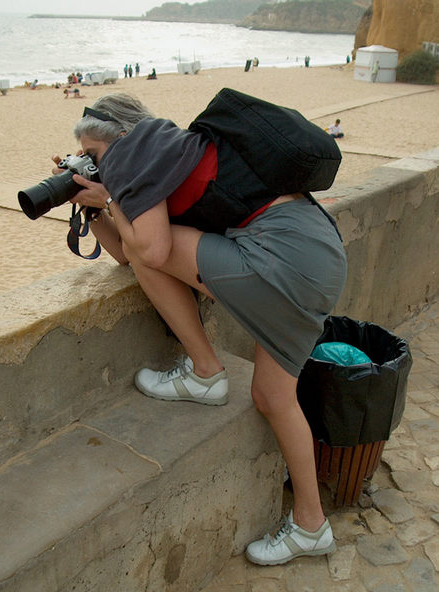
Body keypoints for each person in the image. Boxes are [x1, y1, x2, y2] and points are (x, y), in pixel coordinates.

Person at [52, 92, 346, 566]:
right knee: (273, 397)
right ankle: (312, 526)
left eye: (92, 154)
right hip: (319, 254)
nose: (89, 162)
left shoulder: (130, 154)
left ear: (117, 137)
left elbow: (146, 252)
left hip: (282, 256)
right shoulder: (160, 147)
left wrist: (108, 194)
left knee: (154, 255)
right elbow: (124, 250)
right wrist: (90, 202)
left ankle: (205, 372)